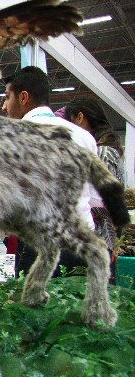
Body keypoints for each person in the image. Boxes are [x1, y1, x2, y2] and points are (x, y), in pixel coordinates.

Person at [1, 66, 100, 277]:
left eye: (7, 97)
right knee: (76, 306)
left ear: (24, 97)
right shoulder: (83, 137)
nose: (4, 106)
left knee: (35, 308)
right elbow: (96, 197)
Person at [63, 96, 125, 281]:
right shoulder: (108, 150)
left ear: (80, 118)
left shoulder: (102, 153)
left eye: (70, 122)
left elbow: (107, 203)